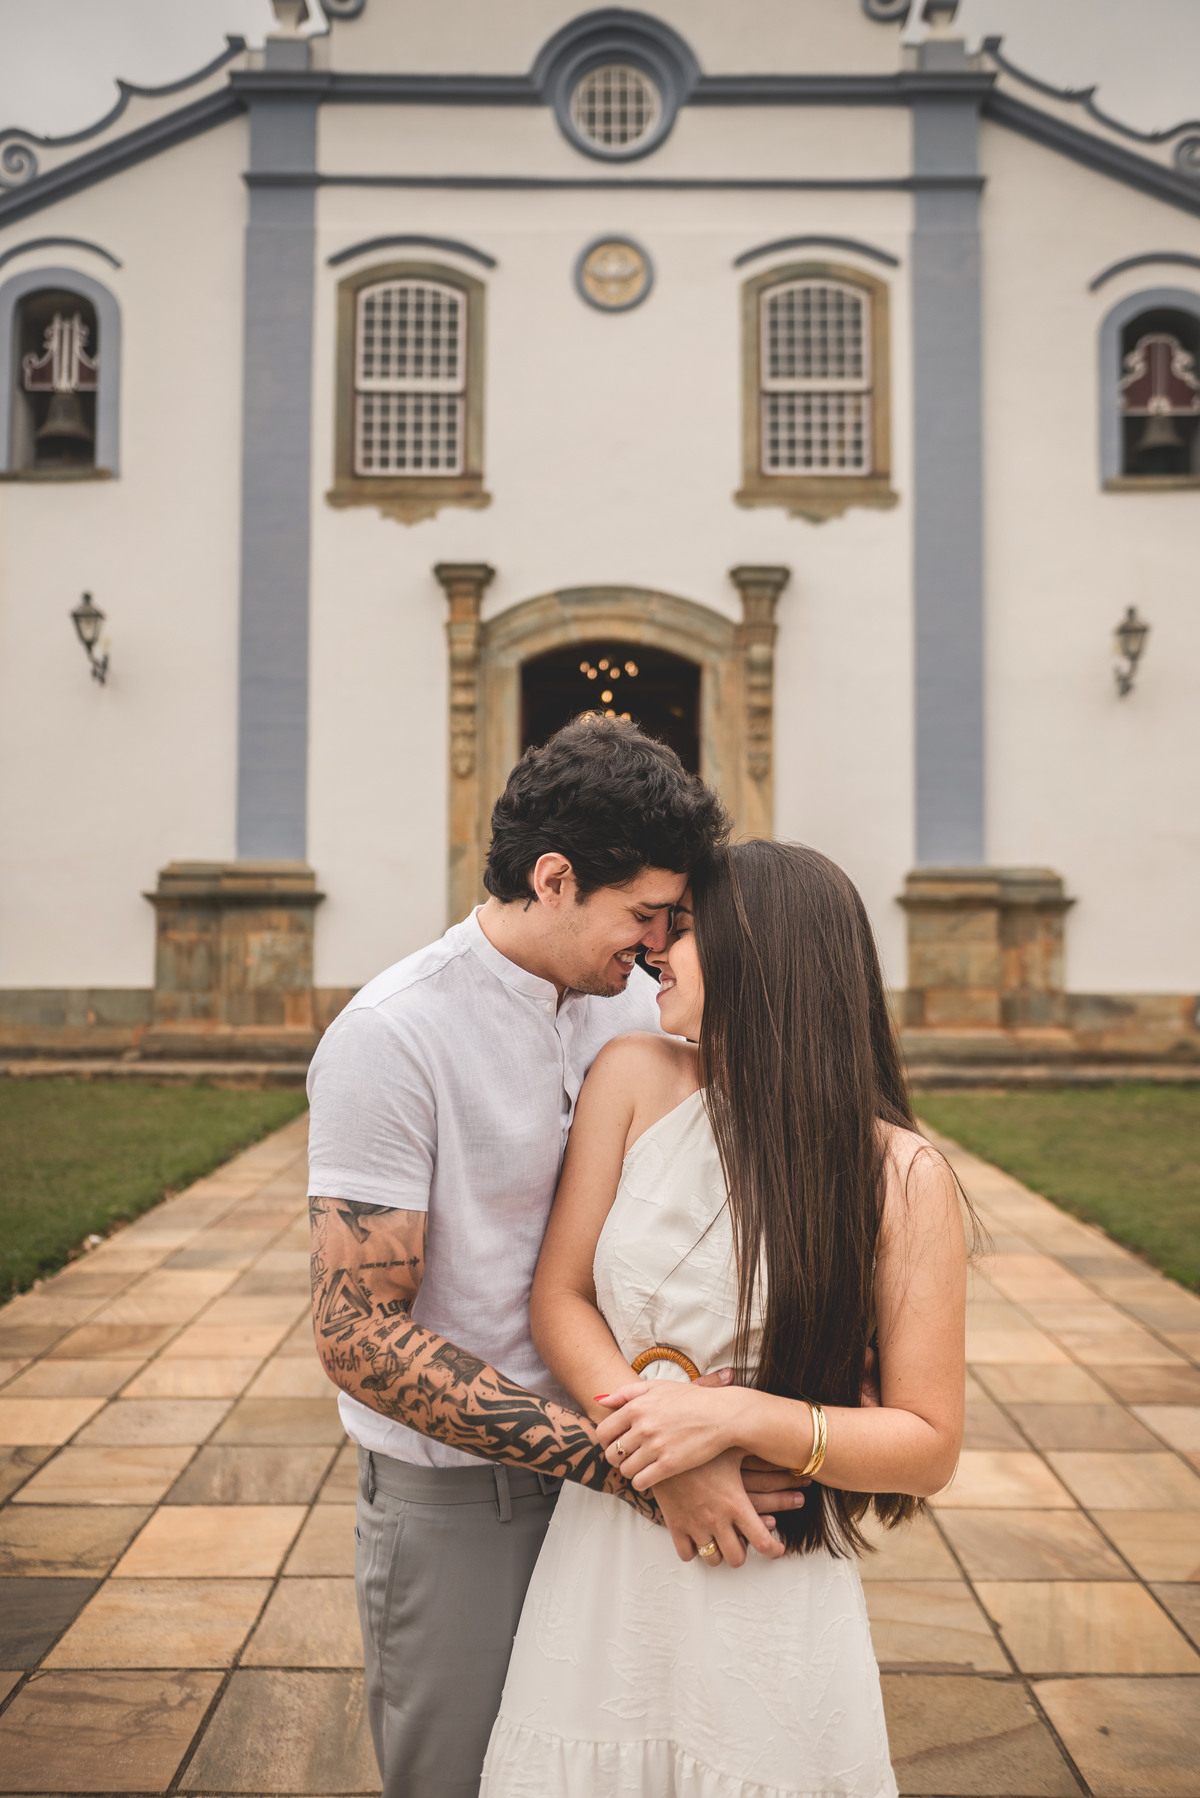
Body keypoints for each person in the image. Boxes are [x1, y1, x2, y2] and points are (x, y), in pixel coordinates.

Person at [305, 720, 810, 1798]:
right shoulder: (392, 1036)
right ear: (553, 877)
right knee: (458, 1776)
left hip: (632, 1474)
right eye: (643, 915)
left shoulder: (646, 1007)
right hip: (466, 1504)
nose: (661, 942)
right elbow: (356, 1334)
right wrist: (634, 1463)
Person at [481, 839, 969, 1798]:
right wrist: (667, 1450)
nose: (659, 946)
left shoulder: (902, 1177)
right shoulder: (632, 1076)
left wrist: (737, 1422)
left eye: (690, 927)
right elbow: (560, 1297)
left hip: (764, 1563)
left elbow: (927, 1444)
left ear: (767, 955)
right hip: (612, 1536)